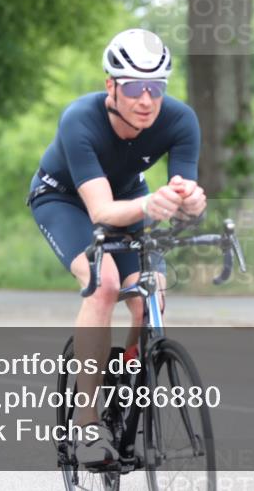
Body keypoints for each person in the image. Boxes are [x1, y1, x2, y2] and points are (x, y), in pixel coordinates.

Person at [27, 28, 206, 464]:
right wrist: (150, 203)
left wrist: (191, 205)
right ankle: (88, 424)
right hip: (67, 201)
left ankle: (124, 379)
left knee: (151, 294)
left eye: (156, 88)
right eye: (133, 87)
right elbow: (102, 212)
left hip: (130, 200)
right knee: (104, 282)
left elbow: (182, 196)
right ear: (111, 86)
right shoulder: (80, 120)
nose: (146, 99)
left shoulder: (180, 121)